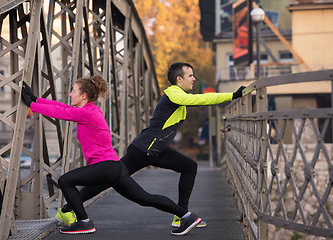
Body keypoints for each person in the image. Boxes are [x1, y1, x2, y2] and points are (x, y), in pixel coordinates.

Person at [55, 62, 245, 228]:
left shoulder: (178, 94)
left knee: (189, 166)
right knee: (111, 181)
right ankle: (68, 209)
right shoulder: (173, 93)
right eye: (190, 75)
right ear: (179, 79)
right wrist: (232, 95)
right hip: (144, 149)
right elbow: (200, 99)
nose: (194, 79)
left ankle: (182, 216)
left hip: (154, 149)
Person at [20, 76, 202, 235]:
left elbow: (61, 112)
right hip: (114, 168)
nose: (70, 94)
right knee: (145, 198)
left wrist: (33, 105)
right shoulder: (89, 111)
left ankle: (83, 221)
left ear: (83, 96)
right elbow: (61, 107)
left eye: (73, 91)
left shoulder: (87, 113)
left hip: (105, 167)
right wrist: (36, 100)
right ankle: (186, 215)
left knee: (65, 181)